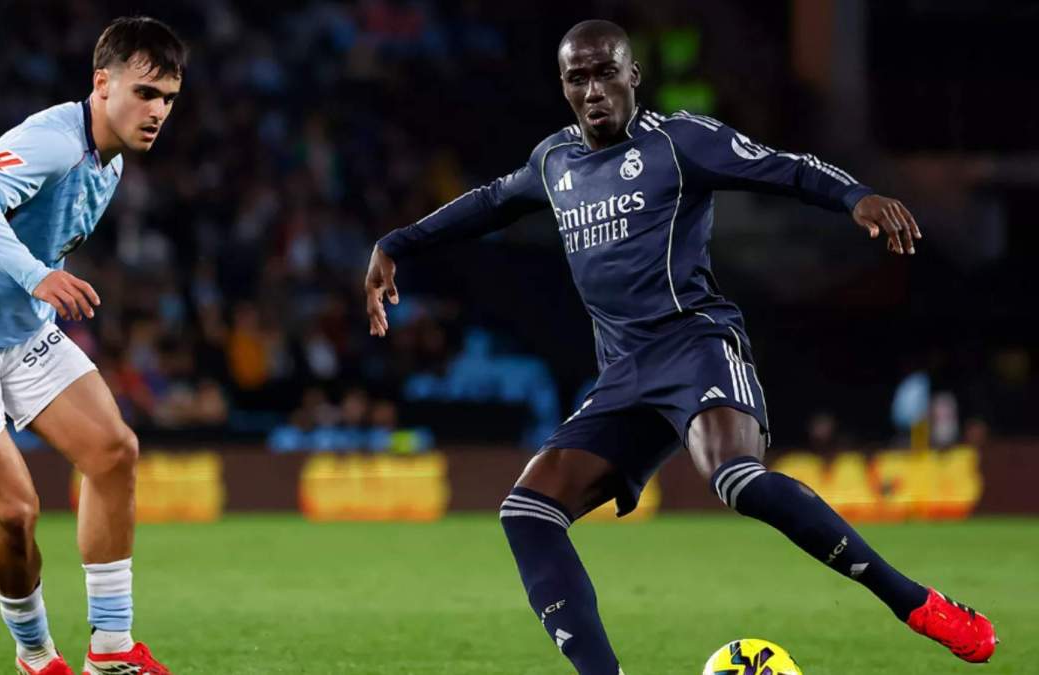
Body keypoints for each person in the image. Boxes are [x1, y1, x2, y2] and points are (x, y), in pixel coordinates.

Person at [364, 19, 996, 674]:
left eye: (606, 71)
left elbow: (782, 168)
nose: (594, 90)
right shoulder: (553, 161)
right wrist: (396, 244)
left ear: (633, 75)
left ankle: (917, 603)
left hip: (696, 345)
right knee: (527, 510)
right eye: (577, 78)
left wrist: (856, 196)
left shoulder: (680, 141)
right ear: (562, 86)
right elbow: (488, 203)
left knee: (737, 480)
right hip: (622, 374)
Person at [0, 16, 184, 675]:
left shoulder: (112, 163)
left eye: (168, 98)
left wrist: (34, 287)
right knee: (16, 510)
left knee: (113, 452)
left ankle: (111, 648)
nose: (157, 110)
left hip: (17, 330)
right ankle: (36, 655)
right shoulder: (54, 140)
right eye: (145, 92)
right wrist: (38, 275)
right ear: (102, 84)